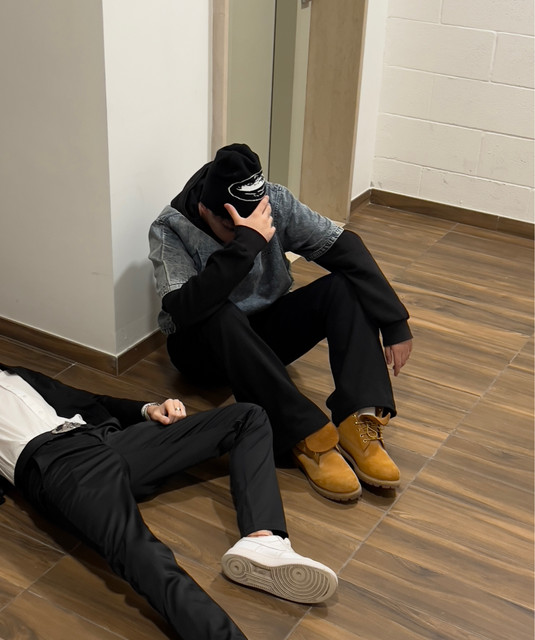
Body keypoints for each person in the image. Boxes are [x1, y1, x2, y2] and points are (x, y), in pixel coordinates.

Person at [149, 143, 413, 503]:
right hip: (203, 351)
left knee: (344, 286)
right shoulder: (170, 227)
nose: (241, 231)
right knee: (218, 311)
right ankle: (304, 435)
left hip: (262, 334)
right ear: (204, 210)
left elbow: (345, 248)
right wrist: (247, 244)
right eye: (231, 227)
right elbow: (184, 309)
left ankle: (358, 418)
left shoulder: (274, 201)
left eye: (252, 223)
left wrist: (395, 321)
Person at [0, 363, 338, 640]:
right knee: (143, 555)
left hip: (105, 439)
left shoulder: (14, 372)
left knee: (247, 417)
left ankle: (262, 539)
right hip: (59, 465)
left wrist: (148, 409)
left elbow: (90, 400)